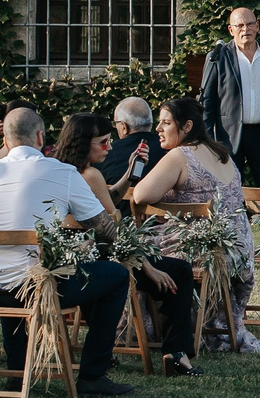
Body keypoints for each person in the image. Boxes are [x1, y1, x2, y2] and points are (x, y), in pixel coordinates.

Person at [0, 106, 135, 396]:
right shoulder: (63, 172)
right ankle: (93, 376)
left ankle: (17, 371)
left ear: (4, 141)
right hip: (34, 288)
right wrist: (130, 249)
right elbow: (103, 227)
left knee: (14, 265)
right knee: (116, 275)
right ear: (41, 136)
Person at [59, 110, 204, 374]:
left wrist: (129, 173)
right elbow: (108, 227)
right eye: (103, 142)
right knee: (180, 272)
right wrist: (147, 265)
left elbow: (107, 202)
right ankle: (175, 354)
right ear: (82, 143)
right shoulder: (90, 175)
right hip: (106, 259)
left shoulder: (66, 171)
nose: (110, 146)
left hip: (81, 261)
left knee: (169, 271)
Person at [133, 95, 260, 359]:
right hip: (238, 251)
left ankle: (142, 331)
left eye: (166, 123)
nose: (158, 129)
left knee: (133, 252)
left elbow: (140, 195)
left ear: (187, 127)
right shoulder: (222, 153)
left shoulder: (180, 156)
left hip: (204, 252)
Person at [199, 7, 260, 221]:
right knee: (230, 194)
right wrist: (209, 140)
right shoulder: (218, 57)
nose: (245, 29)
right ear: (231, 30)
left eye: (250, 24)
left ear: (257, 26)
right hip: (229, 137)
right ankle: (235, 245)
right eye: (240, 25)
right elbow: (208, 103)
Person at [101, 98, 161, 188]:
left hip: (115, 201)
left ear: (124, 127)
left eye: (115, 124)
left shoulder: (105, 154)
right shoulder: (169, 149)